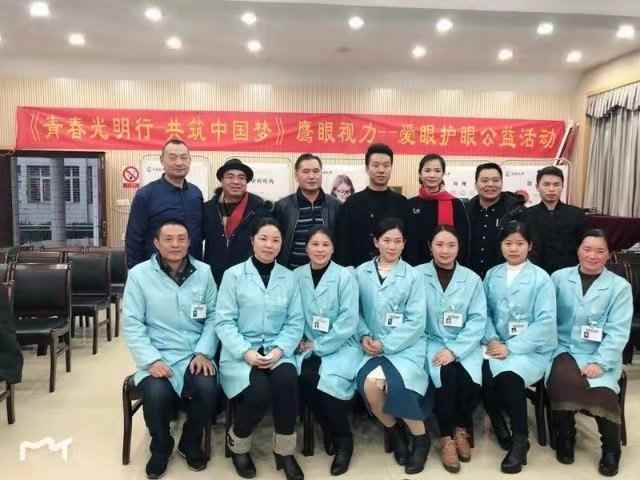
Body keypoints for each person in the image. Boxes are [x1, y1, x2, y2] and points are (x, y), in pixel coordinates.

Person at [123, 219, 219, 479]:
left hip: (193, 352)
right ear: (156, 243)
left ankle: (190, 441)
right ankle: (161, 445)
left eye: (181, 239)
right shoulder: (139, 275)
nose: (175, 244)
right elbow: (132, 323)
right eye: (168, 239)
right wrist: (151, 360)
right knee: (155, 392)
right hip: (157, 353)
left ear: (190, 243)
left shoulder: (204, 272)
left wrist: (203, 351)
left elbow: (213, 316)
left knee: (208, 387)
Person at [215, 217, 305, 480]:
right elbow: (224, 321)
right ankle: (238, 443)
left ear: (281, 244)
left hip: (278, 349)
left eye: (275, 240)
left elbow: (295, 321)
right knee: (259, 393)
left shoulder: (288, 277)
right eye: (263, 238)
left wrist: (279, 350)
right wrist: (246, 352)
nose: (269, 245)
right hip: (242, 351)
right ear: (252, 240)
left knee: (287, 382)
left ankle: (285, 452)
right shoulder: (233, 275)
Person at [546, 229, 633, 477]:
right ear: (578, 250)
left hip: (600, 351)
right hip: (563, 347)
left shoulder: (619, 287)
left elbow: (618, 332)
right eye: (587, 249)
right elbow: (546, 317)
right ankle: (566, 435)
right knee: (561, 378)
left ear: (609, 254)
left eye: (600, 251)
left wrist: (600, 363)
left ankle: (611, 448)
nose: (592, 256)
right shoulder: (559, 278)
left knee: (602, 389)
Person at [355, 218, 430, 475]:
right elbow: (355, 311)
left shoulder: (413, 276)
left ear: (404, 244)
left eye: (398, 241)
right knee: (370, 387)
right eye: (386, 240)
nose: (392, 246)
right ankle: (394, 430)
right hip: (371, 345)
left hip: (405, 347)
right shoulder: (361, 273)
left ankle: (421, 438)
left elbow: (417, 321)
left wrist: (386, 344)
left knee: (398, 386)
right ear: (376, 242)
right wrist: (364, 335)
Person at [482, 221, 557, 474]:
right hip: (496, 346)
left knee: (510, 377)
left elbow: (545, 323)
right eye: (508, 243)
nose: (513, 249)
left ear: (530, 246)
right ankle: (499, 425)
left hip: (531, 349)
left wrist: (511, 347)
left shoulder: (541, 278)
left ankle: (520, 440)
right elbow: (484, 313)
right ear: (500, 245)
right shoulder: (492, 274)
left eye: (520, 243)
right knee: (481, 374)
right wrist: (492, 339)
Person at [416, 225, 486, 474]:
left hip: (464, 343)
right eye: (439, 244)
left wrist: (455, 350)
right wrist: (444, 351)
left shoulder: (472, 279)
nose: (445, 250)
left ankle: (460, 429)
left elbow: (478, 320)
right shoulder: (416, 275)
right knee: (445, 375)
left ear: (459, 248)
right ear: (430, 247)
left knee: (469, 380)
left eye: (451, 245)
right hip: (430, 341)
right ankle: (446, 437)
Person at [295, 226, 361, 476]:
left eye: (325, 244)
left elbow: (348, 320)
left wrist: (320, 345)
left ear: (333, 248)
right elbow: (292, 313)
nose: (320, 249)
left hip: (341, 344)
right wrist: (301, 340)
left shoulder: (345, 276)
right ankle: (328, 427)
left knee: (329, 382)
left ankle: (344, 440)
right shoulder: (297, 276)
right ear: (306, 248)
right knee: (305, 377)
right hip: (307, 343)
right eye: (315, 244)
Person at [126, 139, 203, 268]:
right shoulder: (145, 195)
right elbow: (134, 239)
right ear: (162, 160)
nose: (179, 162)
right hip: (156, 271)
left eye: (184, 157)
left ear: (190, 161)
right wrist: (135, 272)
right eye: (172, 158)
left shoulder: (195, 194)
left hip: (192, 270)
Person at [335, 144, 408, 267]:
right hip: (357, 271)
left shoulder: (401, 203)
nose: (381, 170)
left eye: (386, 165)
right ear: (367, 168)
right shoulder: (352, 203)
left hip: (394, 272)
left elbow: (407, 243)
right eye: (375, 165)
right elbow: (342, 243)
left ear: (391, 168)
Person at [203, 158, 271, 285]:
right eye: (230, 177)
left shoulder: (260, 209)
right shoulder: (207, 208)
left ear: (246, 182)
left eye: (241, 177)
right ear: (221, 180)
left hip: (248, 278)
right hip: (213, 277)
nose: (236, 181)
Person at [275, 153, 341, 269]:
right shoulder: (283, 206)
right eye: (306, 172)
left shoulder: (335, 205)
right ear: (296, 175)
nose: (311, 176)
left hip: (327, 274)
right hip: (292, 272)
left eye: (316, 171)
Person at [406, 154, 470, 266]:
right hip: (414, 267)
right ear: (420, 174)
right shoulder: (410, 204)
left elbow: (463, 240)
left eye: (437, 171)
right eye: (427, 170)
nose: (432, 175)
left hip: (447, 266)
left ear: (443, 174)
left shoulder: (455, 204)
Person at [464, 163, 527, 278]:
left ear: (502, 183)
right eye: (485, 180)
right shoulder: (466, 211)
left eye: (495, 180)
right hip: (470, 277)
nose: (490, 184)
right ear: (476, 184)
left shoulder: (516, 211)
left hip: (505, 277)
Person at [523, 166, 586, 274]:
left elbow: (583, 246)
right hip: (536, 273)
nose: (551, 189)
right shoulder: (526, 215)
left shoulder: (577, 214)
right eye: (546, 184)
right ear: (537, 187)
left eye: (556, 184)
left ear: (562, 186)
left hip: (569, 273)